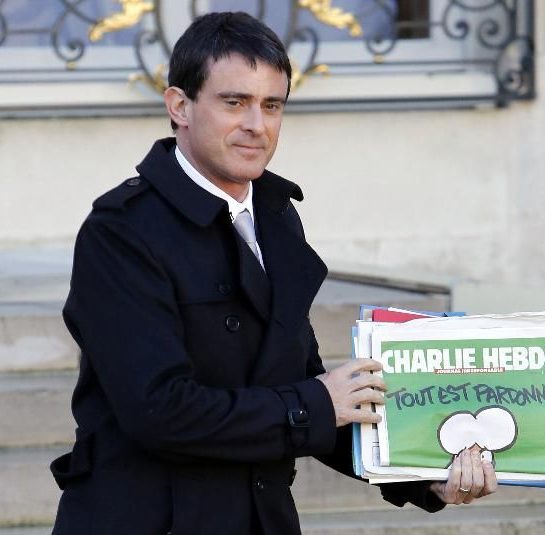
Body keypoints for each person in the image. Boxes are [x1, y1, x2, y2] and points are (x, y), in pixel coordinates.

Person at [50, 11, 497, 535]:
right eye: (233, 102)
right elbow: (159, 411)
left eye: (272, 105)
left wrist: (425, 475)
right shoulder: (120, 231)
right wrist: (317, 403)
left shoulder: (276, 215)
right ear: (179, 106)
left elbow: (308, 389)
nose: (256, 125)